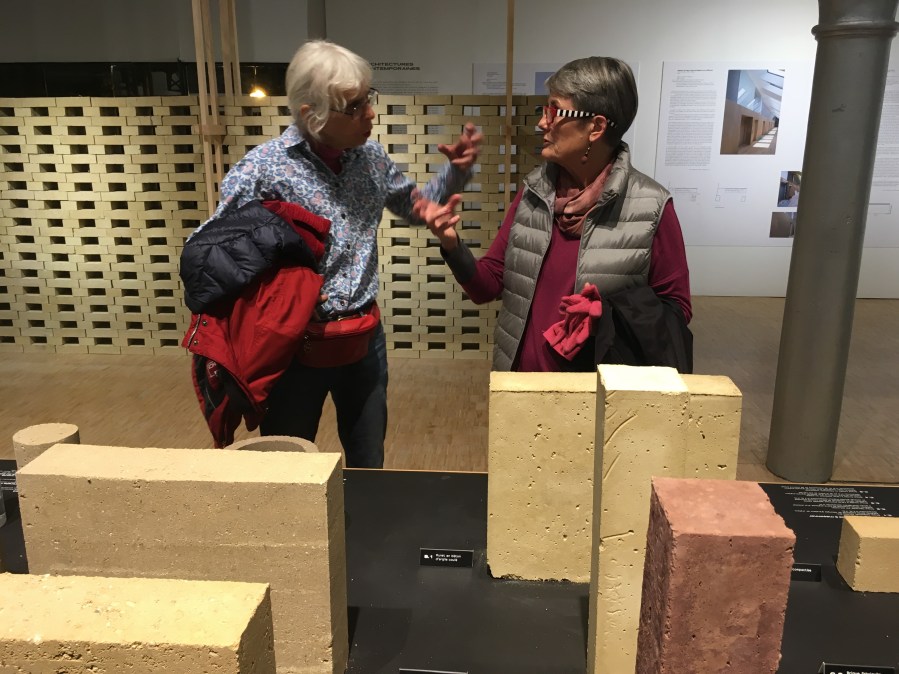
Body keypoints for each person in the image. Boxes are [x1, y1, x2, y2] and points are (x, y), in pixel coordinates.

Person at [191, 40, 481, 467]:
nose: (370, 113)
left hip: (364, 339)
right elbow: (209, 251)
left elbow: (414, 205)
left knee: (369, 459)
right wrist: (274, 294)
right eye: (354, 106)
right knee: (287, 462)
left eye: (369, 98)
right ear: (312, 113)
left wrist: (456, 173)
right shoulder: (263, 169)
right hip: (294, 346)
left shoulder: (371, 158)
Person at [416, 57, 691, 372]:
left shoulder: (651, 207)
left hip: (593, 394)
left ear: (596, 127)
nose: (541, 123)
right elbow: (487, 286)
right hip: (520, 387)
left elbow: (676, 311)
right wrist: (451, 244)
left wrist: (608, 316)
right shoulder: (534, 193)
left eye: (554, 111)